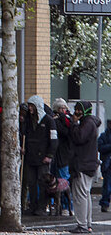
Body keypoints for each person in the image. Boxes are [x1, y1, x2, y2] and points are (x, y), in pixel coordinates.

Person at [23, 94, 58, 216]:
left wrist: (50, 155)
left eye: (32, 106)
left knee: (43, 183)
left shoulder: (49, 121)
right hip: (30, 157)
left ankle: (42, 206)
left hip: (43, 158)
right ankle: (32, 205)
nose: (30, 109)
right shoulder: (28, 121)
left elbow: (54, 140)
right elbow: (24, 135)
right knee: (31, 182)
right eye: (29, 106)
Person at [68, 100, 100, 234]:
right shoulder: (92, 123)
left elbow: (78, 138)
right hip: (89, 163)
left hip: (82, 164)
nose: (76, 112)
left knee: (80, 196)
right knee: (86, 194)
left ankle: (82, 224)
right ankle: (87, 223)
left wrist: (74, 124)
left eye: (78, 110)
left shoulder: (86, 124)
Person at [55, 98, 75, 215]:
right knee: (60, 180)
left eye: (64, 108)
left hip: (66, 154)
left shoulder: (68, 120)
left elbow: (67, 132)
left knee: (64, 181)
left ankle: (67, 206)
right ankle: (63, 206)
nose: (63, 110)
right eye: (60, 108)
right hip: (61, 154)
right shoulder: (58, 120)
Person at [97, 119, 111, 213]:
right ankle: (105, 203)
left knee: (107, 185)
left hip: (107, 163)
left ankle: (105, 203)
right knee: (107, 186)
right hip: (107, 164)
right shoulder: (104, 135)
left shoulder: (104, 136)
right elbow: (100, 147)